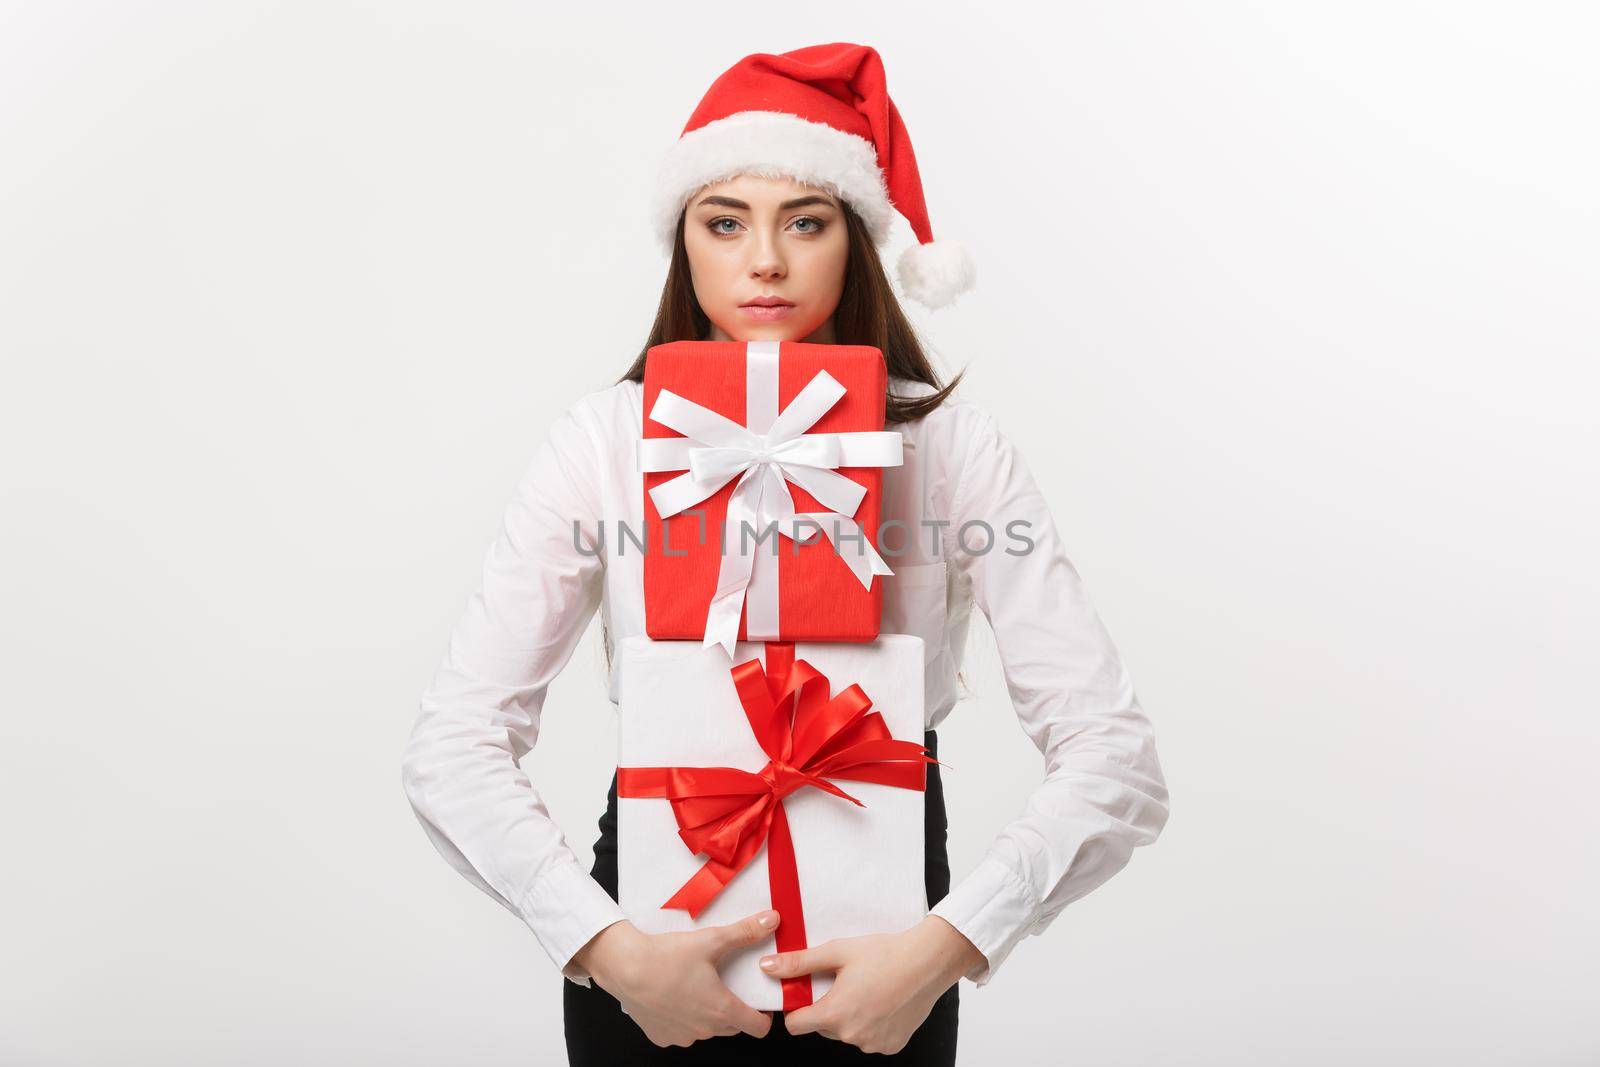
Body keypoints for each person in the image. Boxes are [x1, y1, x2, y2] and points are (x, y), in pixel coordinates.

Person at [400, 42, 1171, 1065]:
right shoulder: (603, 441)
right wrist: (608, 950)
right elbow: (452, 744)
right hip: (651, 948)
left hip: (890, 950)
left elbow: (1114, 756)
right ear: (686, 241)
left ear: (853, 238)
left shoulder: (949, 449)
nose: (763, 260)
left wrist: (948, 946)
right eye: (725, 222)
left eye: (804, 222)